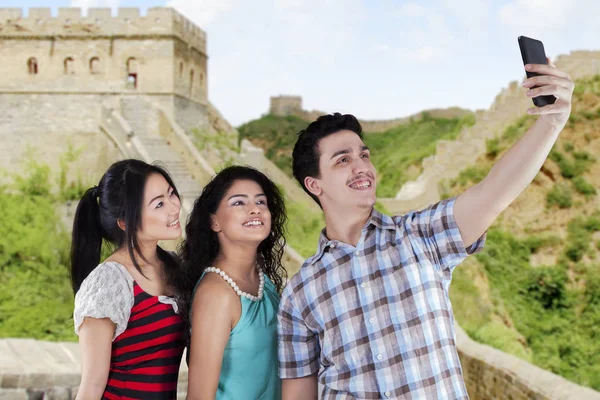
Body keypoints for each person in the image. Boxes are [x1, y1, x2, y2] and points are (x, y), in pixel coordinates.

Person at [278, 60, 574, 399]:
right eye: (343, 160)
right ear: (315, 185)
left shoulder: (420, 236)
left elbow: (493, 192)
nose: (362, 167)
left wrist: (551, 122)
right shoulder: (299, 293)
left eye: (364, 155)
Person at [71, 159, 185, 399]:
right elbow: (91, 385)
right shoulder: (109, 283)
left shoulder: (175, 267)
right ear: (125, 222)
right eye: (159, 204)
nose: (174, 208)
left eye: (171, 194)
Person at [180, 165, 287, 400]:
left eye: (261, 202)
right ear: (214, 222)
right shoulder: (216, 293)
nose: (254, 210)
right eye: (239, 203)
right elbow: (199, 396)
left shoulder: (263, 279)